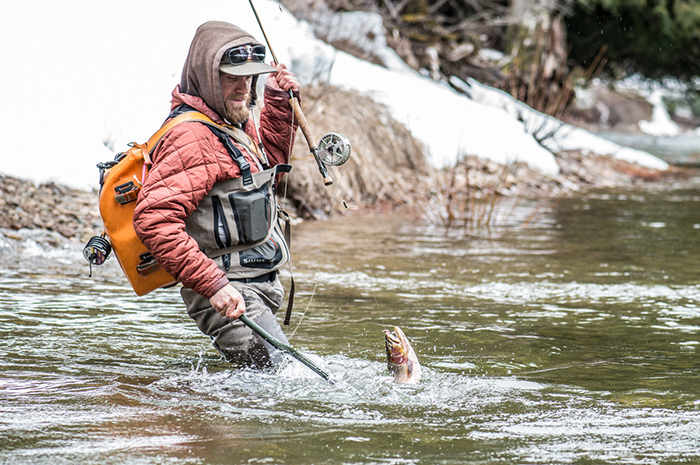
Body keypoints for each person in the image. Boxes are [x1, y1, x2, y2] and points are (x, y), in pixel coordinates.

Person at [133, 20, 300, 367]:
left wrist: (280, 105)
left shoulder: (232, 120)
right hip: (229, 291)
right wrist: (214, 286)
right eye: (231, 77)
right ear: (207, 76)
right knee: (287, 382)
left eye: (249, 77)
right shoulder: (192, 137)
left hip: (257, 286)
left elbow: (265, 175)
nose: (243, 88)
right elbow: (154, 221)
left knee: (271, 389)